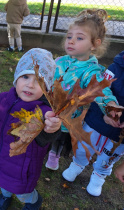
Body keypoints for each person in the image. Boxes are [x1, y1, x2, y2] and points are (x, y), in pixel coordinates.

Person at [0, 48, 62, 210]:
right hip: (0, 158)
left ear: (46, 88)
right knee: (3, 185)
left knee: (22, 193)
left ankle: (33, 201)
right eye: (25, 76)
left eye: (39, 80)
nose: (30, 84)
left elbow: (44, 139)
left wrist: (52, 128)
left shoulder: (43, 112)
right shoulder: (4, 99)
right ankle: (5, 196)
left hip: (22, 168)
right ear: (16, 77)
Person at [45, 9, 120, 171]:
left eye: (79, 38)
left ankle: (55, 153)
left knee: (60, 136)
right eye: (69, 36)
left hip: (69, 116)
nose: (71, 41)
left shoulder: (91, 71)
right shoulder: (61, 61)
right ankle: (45, 146)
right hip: (49, 108)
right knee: (47, 129)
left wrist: (111, 106)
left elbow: (101, 90)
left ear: (94, 44)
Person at [62, 50, 124, 196]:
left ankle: (99, 175)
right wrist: (106, 112)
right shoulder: (115, 68)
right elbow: (100, 90)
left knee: (109, 156)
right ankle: (78, 163)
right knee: (84, 145)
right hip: (97, 121)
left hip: (120, 134)